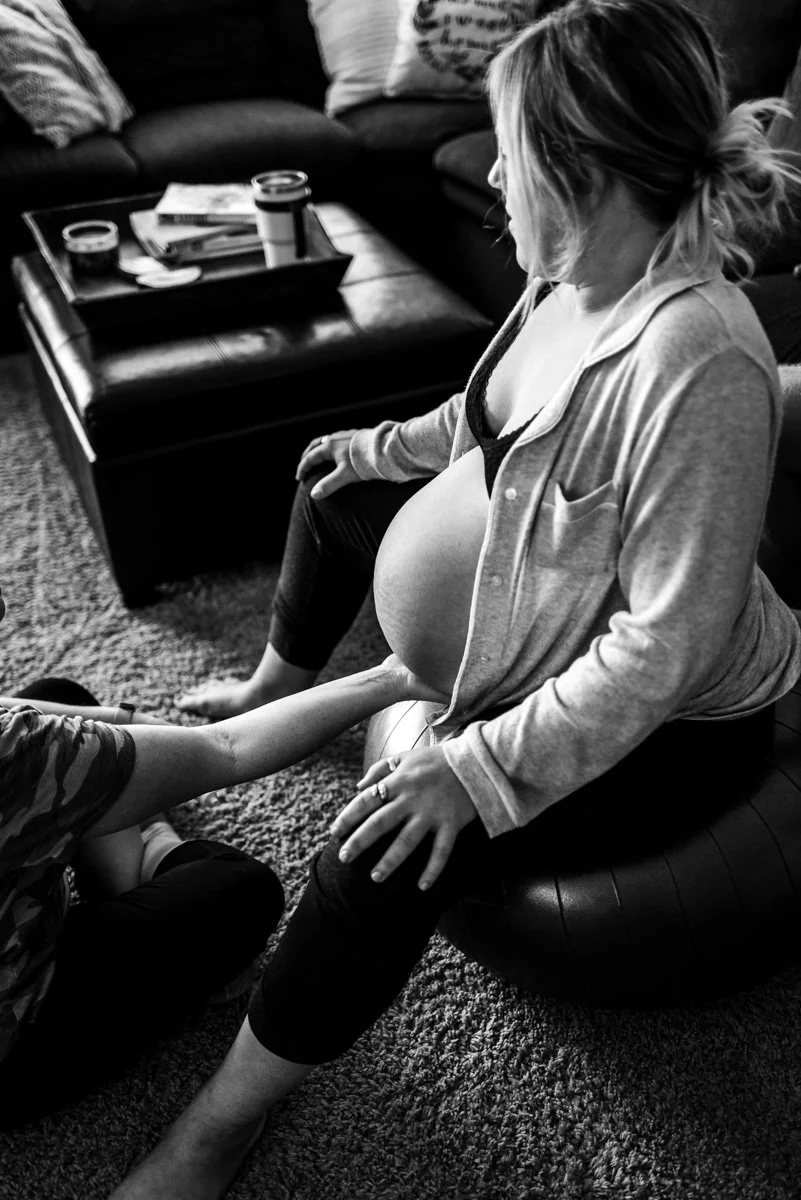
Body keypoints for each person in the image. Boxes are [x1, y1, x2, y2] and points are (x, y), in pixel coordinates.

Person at [113, 0, 801, 1196]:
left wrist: (475, 769)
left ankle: (215, 1131)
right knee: (331, 494)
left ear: (581, 170)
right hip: (548, 613)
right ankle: (281, 685)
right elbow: (487, 417)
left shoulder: (698, 360)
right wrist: (384, 448)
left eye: (511, 151)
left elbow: (668, 649)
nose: (490, 173)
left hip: (681, 724)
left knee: (378, 851)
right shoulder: (570, 272)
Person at [0, 583, 435, 1127]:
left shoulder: (20, 743)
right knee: (240, 889)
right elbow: (227, 749)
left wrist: (115, 721)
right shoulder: (17, 751)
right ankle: (151, 841)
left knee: (57, 696)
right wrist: (393, 677)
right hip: (17, 1043)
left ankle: (117, 818)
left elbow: (20, 715)